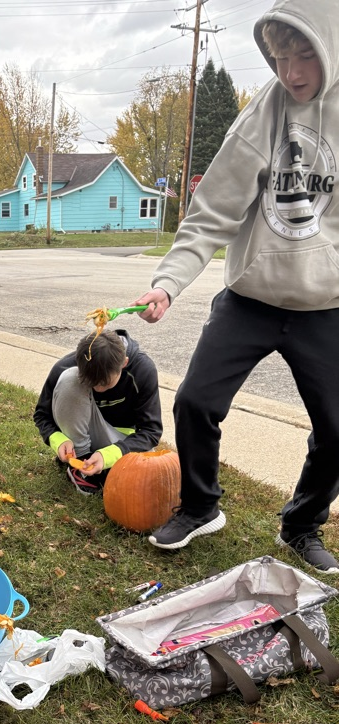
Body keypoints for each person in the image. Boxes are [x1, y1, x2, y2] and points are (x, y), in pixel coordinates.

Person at [133, 0, 339, 574]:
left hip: (326, 308)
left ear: (330, 47)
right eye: (279, 58)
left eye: (304, 55)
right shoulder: (258, 119)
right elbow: (210, 215)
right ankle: (200, 506)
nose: (291, 72)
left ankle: (301, 524)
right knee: (196, 401)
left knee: (338, 429)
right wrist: (168, 284)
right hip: (249, 298)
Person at [34, 329, 162, 494]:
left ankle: (103, 465)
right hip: (81, 438)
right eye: (91, 383)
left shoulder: (143, 370)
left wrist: (107, 455)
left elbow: (151, 431)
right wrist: (59, 441)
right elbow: (41, 415)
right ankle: (80, 463)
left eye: (105, 383)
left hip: (120, 440)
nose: (98, 389)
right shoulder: (65, 366)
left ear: (124, 363)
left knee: (149, 476)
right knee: (69, 379)